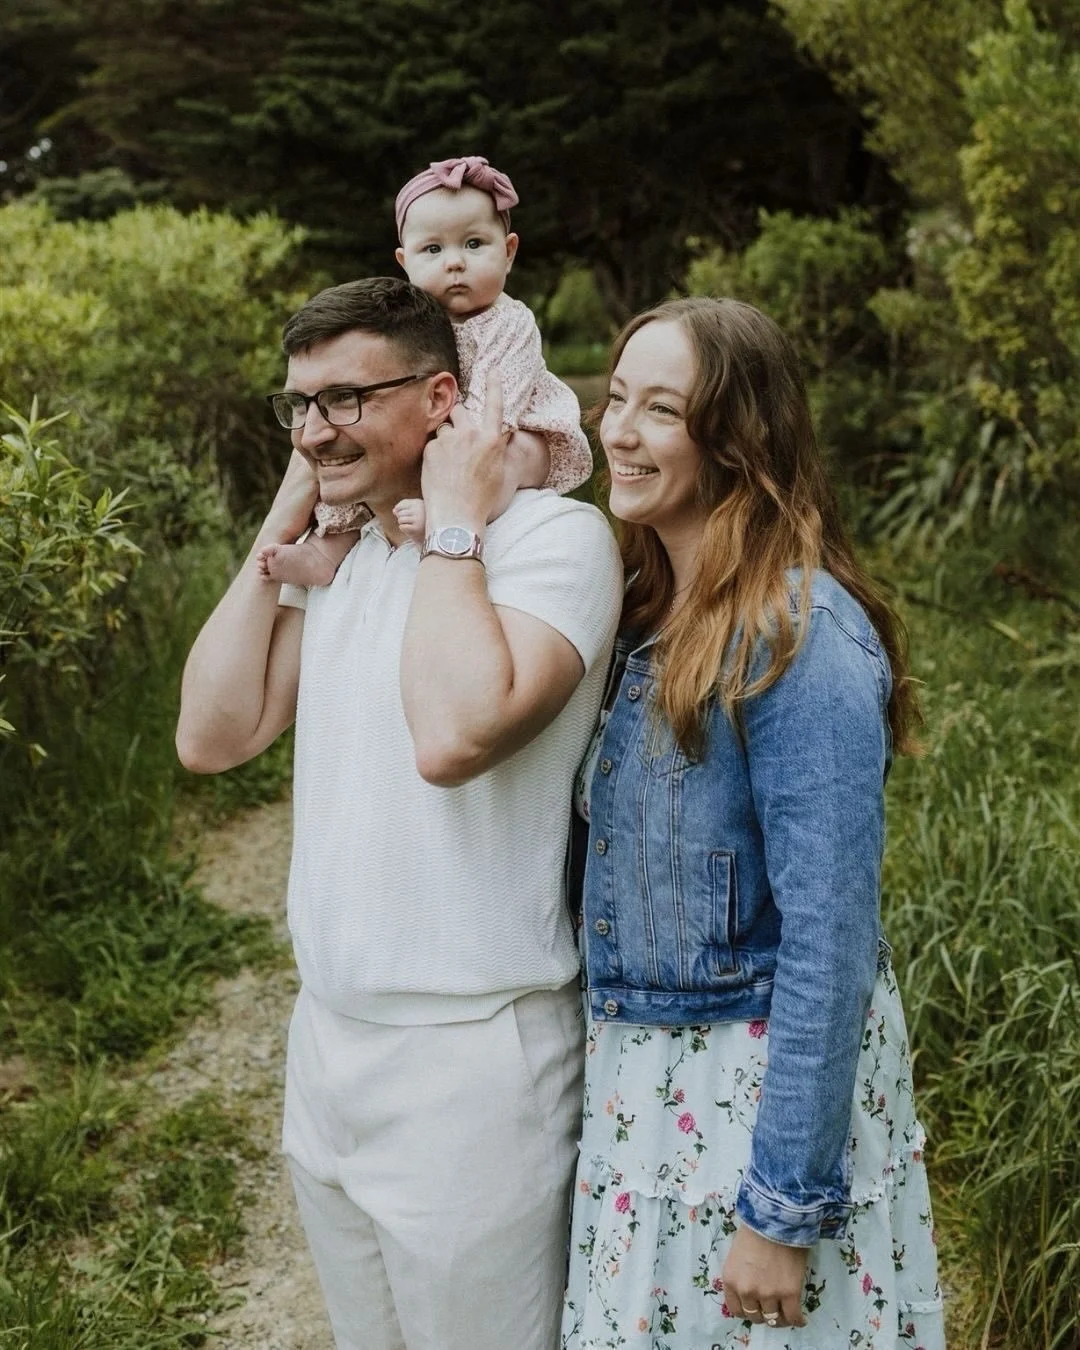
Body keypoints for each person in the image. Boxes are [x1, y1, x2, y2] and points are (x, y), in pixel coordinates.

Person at [176, 275, 623, 1350]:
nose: (318, 430)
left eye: (346, 400)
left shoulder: (554, 543)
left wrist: (454, 527)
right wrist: (292, 511)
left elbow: (455, 739)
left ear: (439, 398)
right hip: (326, 1039)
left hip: (473, 1058)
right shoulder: (347, 553)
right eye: (299, 406)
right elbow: (212, 734)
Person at [561, 297, 945, 1349]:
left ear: (737, 442)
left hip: (752, 1109)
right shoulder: (643, 617)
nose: (620, 432)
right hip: (649, 1098)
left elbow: (832, 939)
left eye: (662, 411)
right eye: (618, 398)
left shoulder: (798, 635)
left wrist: (780, 1209)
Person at [257, 154, 592, 586]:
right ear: (404, 262)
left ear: (508, 252)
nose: (455, 263)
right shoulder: (410, 327)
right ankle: (327, 550)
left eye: (474, 244)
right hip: (440, 431)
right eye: (433, 250)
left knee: (513, 457)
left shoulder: (511, 322)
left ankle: (457, 511)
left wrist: (453, 456)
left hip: (512, 426)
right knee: (360, 470)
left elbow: (499, 398)